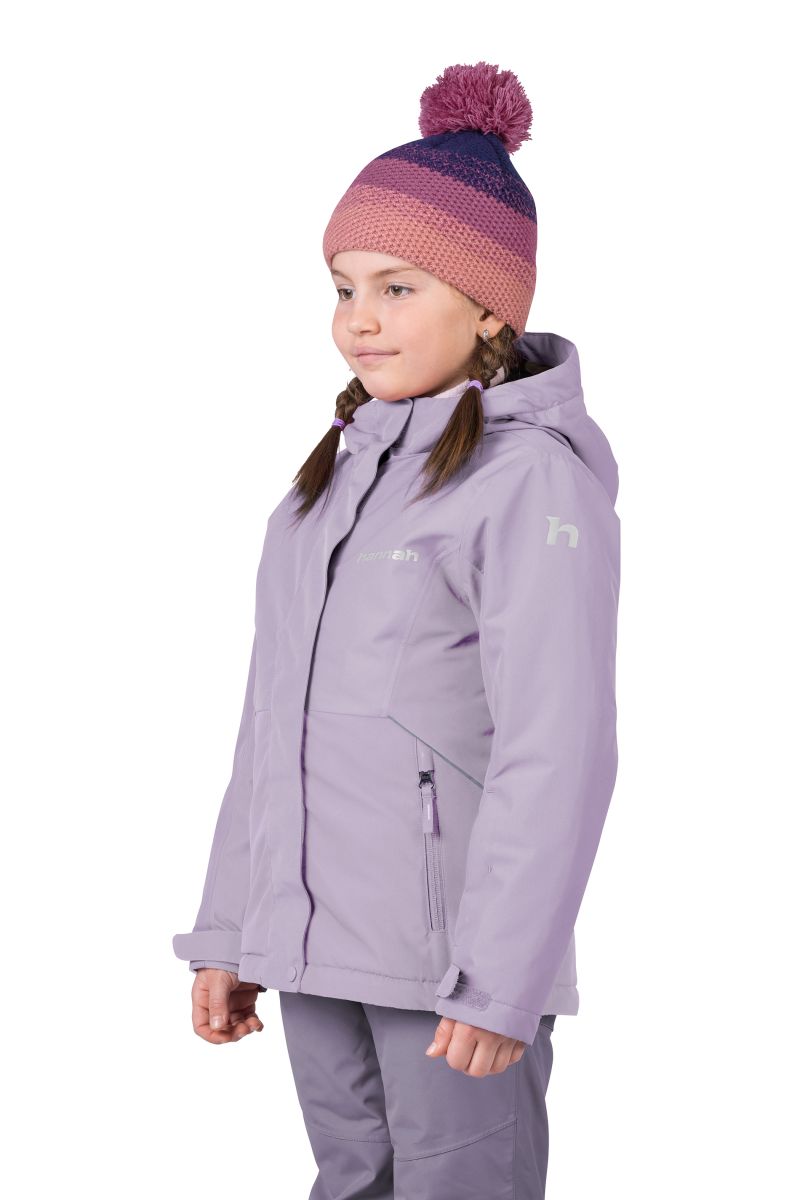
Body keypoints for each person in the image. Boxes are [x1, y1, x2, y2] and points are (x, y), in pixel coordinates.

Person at [172, 60, 621, 1199]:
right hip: (314, 947)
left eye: (397, 286)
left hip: (451, 969)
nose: (358, 319)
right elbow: (268, 730)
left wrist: (504, 974)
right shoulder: (324, 487)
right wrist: (232, 929)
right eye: (341, 287)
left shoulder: (529, 482)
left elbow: (557, 746)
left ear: (489, 307)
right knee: (350, 1182)